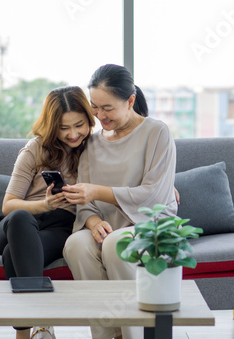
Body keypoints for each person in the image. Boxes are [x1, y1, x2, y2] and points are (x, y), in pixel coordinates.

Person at [62, 64, 178, 339]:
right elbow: (83, 200)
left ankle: (136, 333)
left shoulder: (157, 133)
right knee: (75, 245)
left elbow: (153, 195)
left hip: (151, 225)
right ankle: (106, 334)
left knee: (117, 244)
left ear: (130, 101)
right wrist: (92, 222)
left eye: (108, 108)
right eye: (95, 107)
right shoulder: (91, 143)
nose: (100, 115)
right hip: (108, 226)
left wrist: (97, 192)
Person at [0, 86, 95, 339]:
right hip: (20, 221)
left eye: (79, 125)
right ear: (52, 125)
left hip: (61, 226)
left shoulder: (96, 147)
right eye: (63, 128)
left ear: (89, 120)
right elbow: (9, 204)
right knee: (19, 219)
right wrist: (44, 205)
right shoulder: (34, 149)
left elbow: (129, 170)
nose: (73, 134)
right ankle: (41, 320)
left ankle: (26, 333)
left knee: (11, 254)